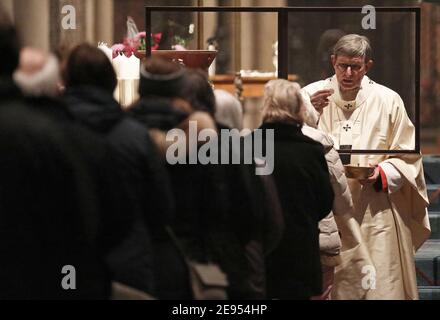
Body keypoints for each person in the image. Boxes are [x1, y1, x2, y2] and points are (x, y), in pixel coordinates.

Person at [302, 34, 430, 299]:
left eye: (356, 67)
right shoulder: (309, 96)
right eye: (342, 66)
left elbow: (408, 155)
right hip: (327, 211)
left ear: (367, 66)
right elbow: (288, 143)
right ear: (333, 61)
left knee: (381, 286)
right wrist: (308, 114)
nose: (348, 73)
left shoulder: (388, 100)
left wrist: (383, 173)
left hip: (375, 208)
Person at [258, 79, 334, 299]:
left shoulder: (248, 145)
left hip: (262, 251)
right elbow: (324, 203)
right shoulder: (310, 150)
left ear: (267, 106)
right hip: (300, 251)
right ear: (299, 108)